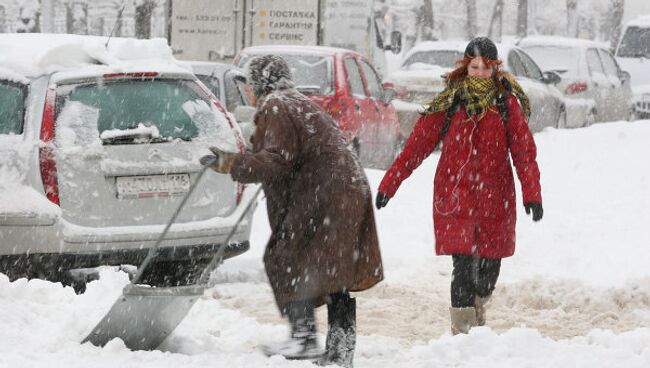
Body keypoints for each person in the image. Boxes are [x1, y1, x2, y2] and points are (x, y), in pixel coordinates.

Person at [203, 55, 383, 367]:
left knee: (285, 256)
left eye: (247, 83)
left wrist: (233, 163)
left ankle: (303, 339)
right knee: (331, 269)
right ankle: (339, 351)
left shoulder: (275, 104)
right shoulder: (294, 100)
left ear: (258, 82)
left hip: (325, 192)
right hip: (342, 188)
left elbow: (277, 159)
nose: (246, 92)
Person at [375, 37, 543, 335]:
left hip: (495, 198)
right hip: (455, 196)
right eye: (474, 66)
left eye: (486, 68)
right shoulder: (451, 100)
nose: (479, 73)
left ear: (495, 69)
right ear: (465, 66)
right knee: (462, 269)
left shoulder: (506, 102)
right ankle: (463, 334)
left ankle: (477, 314)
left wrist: (533, 194)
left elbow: (523, 152)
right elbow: (417, 145)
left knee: (488, 273)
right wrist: (391, 183)